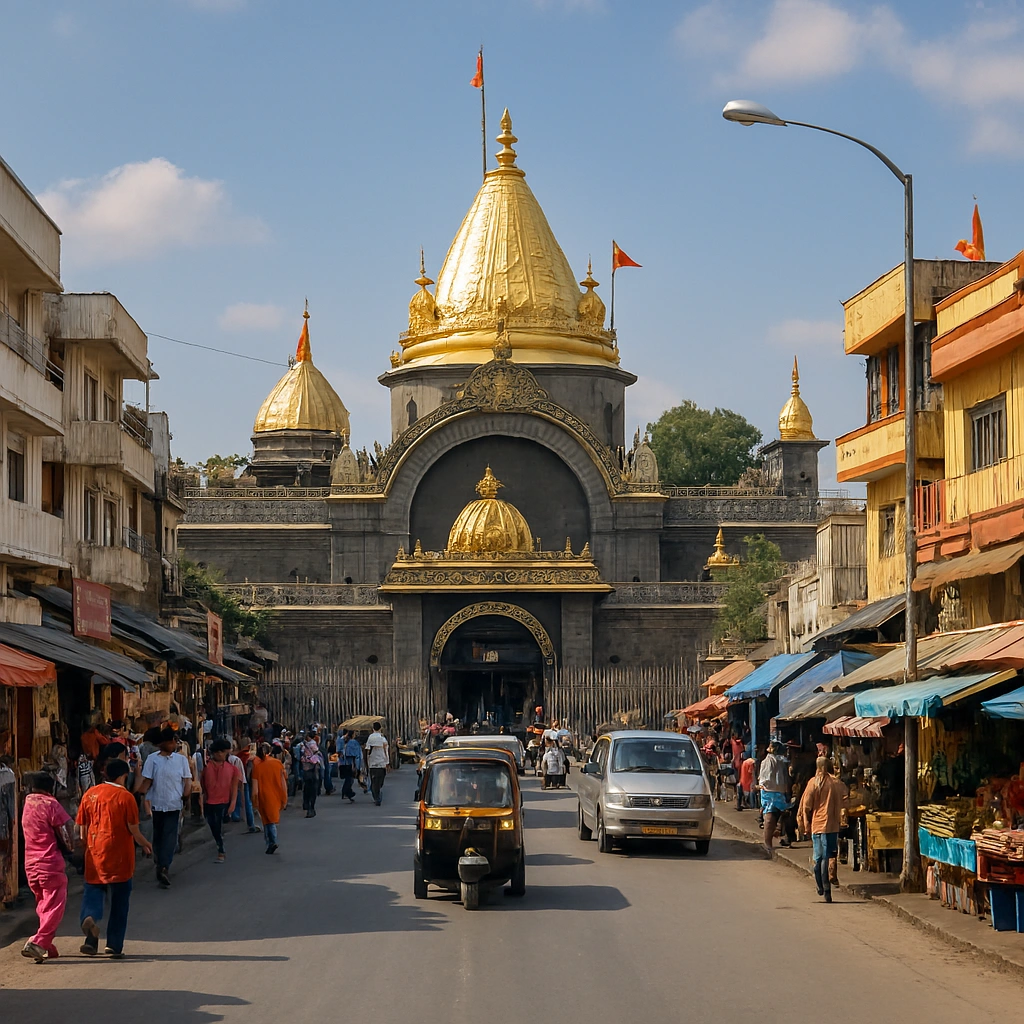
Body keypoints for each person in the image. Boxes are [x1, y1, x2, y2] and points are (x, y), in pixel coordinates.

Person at [77, 759, 153, 958]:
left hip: (95, 853)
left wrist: (89, 849)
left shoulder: (89, 794)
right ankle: (114, 945)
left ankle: (90, 925)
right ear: (123, 776)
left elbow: (83, 832)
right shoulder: (125, 797)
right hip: (120, 856)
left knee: (93, 891)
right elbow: (133, 830)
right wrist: (146, 844)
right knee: (120, 901)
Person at [20, 772, 74, 962]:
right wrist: (72, 851)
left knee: (44, 905)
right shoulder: (51, 804)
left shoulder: (27, 803)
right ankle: (39, 942)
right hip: (50, 863)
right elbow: (66, 832)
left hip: (31, 865)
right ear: (50, 787)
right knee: (55, 906)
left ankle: (47, 947)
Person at [137, 727, 192, 888]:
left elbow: (187, 780)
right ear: (162, 743)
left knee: (170, 837)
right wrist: (141, 794)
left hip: (174, 804)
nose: (172, 744)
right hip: (157, 804)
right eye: (169, 742)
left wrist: (186, 797)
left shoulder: (181, 760)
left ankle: (164, 866)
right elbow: (147, 780)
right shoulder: (153, 759)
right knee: (159, 836)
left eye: (173, 741)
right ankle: (159, 863)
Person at [798, 756, 849, 904]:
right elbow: (846, 795)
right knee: (828, 856)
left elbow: (806, 807)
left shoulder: (813, 783)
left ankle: (820, 886)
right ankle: (826, 888)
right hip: (832, 826)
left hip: (817, 825)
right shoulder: (836, 782)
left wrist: (806, 823)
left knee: (818, 857)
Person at [200, 738, 240, 864]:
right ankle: (219, 845)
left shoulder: (233, 769)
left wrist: (233, 803)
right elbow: (202, 787)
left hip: (223, 801)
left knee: (218, 826)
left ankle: (220, 849)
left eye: (224, 752)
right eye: (220, 752)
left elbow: (234, 788)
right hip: (209, 802)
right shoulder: (206, 767)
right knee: (213, 826)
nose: (222, 755)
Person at [251, 742, 288, 854]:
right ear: (270, 751)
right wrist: (285, 797)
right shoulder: (278, 763)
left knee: (268, 820)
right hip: (277, 795)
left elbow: (255, 789)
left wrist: (254, 802)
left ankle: (272, 841)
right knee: (270, 820)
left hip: (264, 797)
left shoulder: (257, 767)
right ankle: (270, 842)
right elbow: (283, 783)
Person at [758, 741, 791, 854]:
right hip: (769, 792)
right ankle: (767, 843)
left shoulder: (780, 761)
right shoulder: (768, 762)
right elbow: (765, 779)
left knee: (779, 815)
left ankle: (773, 838)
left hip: (779, 792)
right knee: (770, 817)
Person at [299, 730, 324, 817]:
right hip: (312, 768)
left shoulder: (303, 745)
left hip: (306, 768)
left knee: (307, 788)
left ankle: (307, 805)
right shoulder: (313, 745)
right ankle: (311, 807)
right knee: (312, 788)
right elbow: (317, 752)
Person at [364, 721, 389, 806]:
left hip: (373, 763)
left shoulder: (371, 738)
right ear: (380, 728)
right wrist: (387, 762)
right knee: (379, 782)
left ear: (373, 728)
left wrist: (366, 763)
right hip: (380, 763)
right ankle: (377, 798)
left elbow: (367, 751)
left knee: (375, 781)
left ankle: (376, 795)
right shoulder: (382, 739)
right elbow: (386, 751)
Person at [340, 730, 362, 803]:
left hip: (345, 763)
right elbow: (352, 755)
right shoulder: (352, 742)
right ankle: (347, 793)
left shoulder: (347, 742)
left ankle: (346, 793)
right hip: (350, 763)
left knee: (348, 779)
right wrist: (354, 765)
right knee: (349, 779)